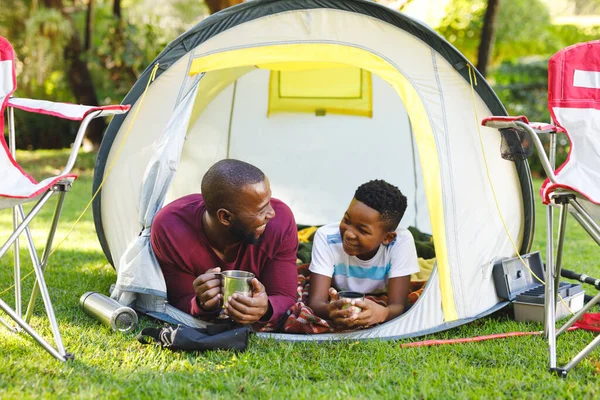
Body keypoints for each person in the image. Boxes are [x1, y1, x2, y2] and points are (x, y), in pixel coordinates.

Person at [150, 159, 298, 326]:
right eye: (262, 210)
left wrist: (266, 308)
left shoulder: (281, 222)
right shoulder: (171, 229)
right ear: (226, 217)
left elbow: (285, 295)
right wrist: (200, 303)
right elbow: (179, 299)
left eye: (269, 201)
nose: (271, 213)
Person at [308, 179, 419, 328]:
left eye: (362, 230)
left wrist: (382, 314)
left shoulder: (400, 242)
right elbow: (316, 303)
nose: (349, 234)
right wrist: (331, 311)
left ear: (387, 238)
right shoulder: (326, 237)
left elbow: (397, 306)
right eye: (346, 220)